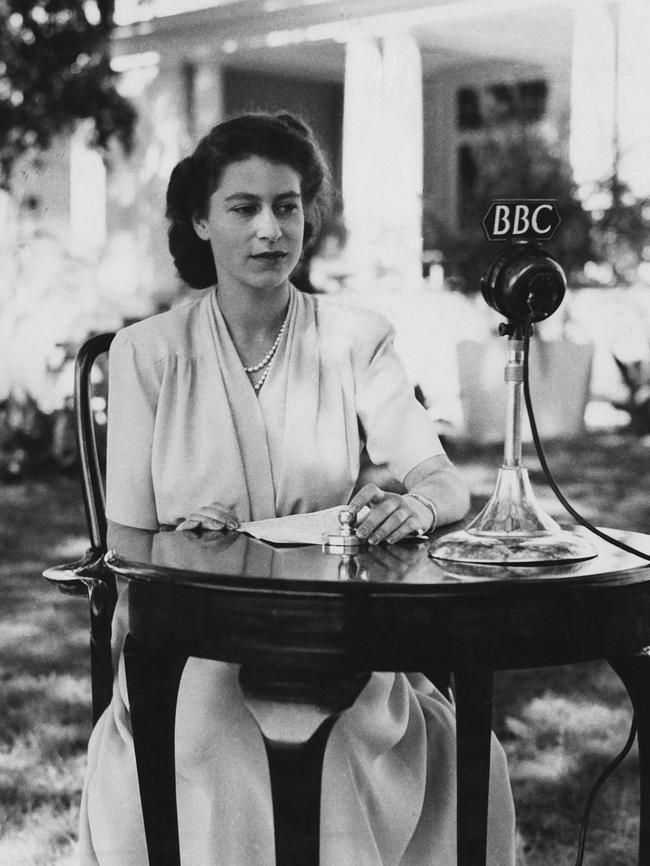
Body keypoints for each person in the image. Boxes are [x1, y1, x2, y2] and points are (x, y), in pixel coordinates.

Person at [78, 111, 515, 864]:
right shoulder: (146, 353)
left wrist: (415, 504)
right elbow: (125, 546)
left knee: (357, 743)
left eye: (286, 206)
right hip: (194, 647)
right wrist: (179, 542)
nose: (270, 230)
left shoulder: (353, 339)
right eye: (243, 208)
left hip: (334, 638)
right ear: (201, 220)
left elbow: (445, 484)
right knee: (218, 741)